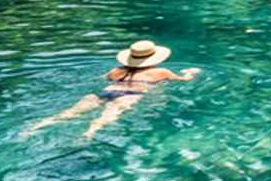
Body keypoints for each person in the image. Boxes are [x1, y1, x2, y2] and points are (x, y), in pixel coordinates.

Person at [21, 40, 200, 140]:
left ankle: (36, 127)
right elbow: (183, 81)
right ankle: (88, 134)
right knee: (106, 117)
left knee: (69, 113)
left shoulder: (117, 70)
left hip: (104, 92)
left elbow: (102, 79)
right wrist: (190, 72)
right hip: (130, 95)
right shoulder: (161, 71)